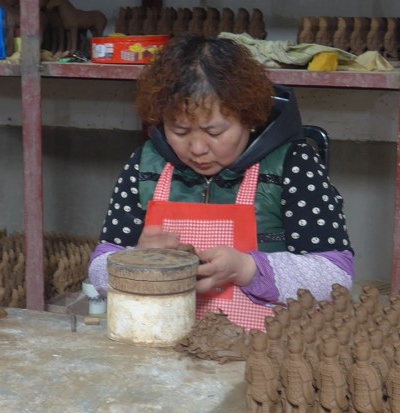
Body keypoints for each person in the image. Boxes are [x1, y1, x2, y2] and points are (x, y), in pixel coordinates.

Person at [88, 34, 353, 331]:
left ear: (249, 117)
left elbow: (336, 278)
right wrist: (138, 261)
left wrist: (249, 270)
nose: (197, 148)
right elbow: (100, 271)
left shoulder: (291, 163)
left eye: (214, 132)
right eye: (179, 130)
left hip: (264, 350)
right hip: (162, 344)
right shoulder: (146, 164)